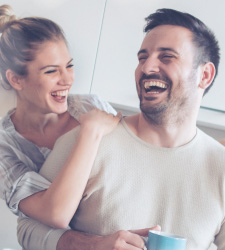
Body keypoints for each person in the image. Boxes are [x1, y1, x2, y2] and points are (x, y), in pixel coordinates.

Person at [12, 7, 225, 250]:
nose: (146, 68)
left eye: (166, 57)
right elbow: (28, 229)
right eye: (142, 58)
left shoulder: (220, 166)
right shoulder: (86, 142)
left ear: (205, 75)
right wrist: (93, 245)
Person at [0, 3, 123, 235]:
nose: (67, 80)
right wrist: (90, 132)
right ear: (16, 80)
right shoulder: (5, 148)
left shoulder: (91, 105)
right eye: (51, 71)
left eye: (69, 66)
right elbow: (56, 213)